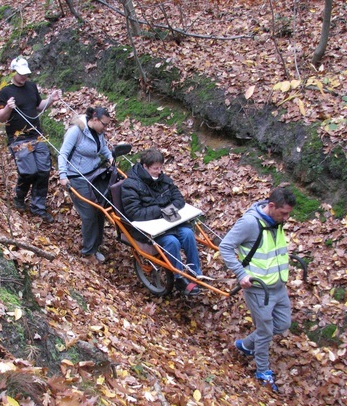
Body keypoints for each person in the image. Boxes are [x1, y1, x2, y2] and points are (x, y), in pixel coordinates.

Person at [219, 187, 296, 392]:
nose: (287, 218)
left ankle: (244, 345)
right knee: (265, 331)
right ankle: (263, 371)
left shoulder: (275, 221)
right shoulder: (250, 223)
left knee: (282, 323)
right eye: (284, 213)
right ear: (271, 206)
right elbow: (225, 246)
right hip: (259, 289)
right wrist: (241, 274)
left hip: (278, 285)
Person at [121, 148, 202, 295]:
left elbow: (179, 199)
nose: (159, 171)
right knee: (172, 242)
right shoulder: (131, 185)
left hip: (169, 223)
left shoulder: (163, 179)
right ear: (145, 167)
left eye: (161, 168)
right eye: (155, 168)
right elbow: (135, 213)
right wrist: (161, 210)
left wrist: (167, 209)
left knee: (188, 233)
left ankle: (195, 271)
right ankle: (179, 278)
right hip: (150, 229)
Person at [0, 56, 60, 222]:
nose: (23, 77)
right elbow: (1, 118)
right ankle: (19, 197)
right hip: (18, 139)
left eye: (25, 74)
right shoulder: (5, 92)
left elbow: (39, 106)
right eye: (20, 74)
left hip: (36, 135)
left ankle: (38, 207)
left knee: (44, 171)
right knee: (28, 171)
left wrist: (51, 100)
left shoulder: (31, 87)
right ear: (13, 72)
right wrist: (8, 109)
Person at [58, 106, 115, 262]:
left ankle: (95, 246)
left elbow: (102, 147)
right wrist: (63, 175)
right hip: (77, 177)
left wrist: (109, 156)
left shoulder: (98, 132)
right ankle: (88, 252)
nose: (105, 128)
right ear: (95, 120)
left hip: (95, 174)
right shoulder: (76, 131)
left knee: (100, 210)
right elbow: (63, 153)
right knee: (89, 214)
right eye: (104, 124)